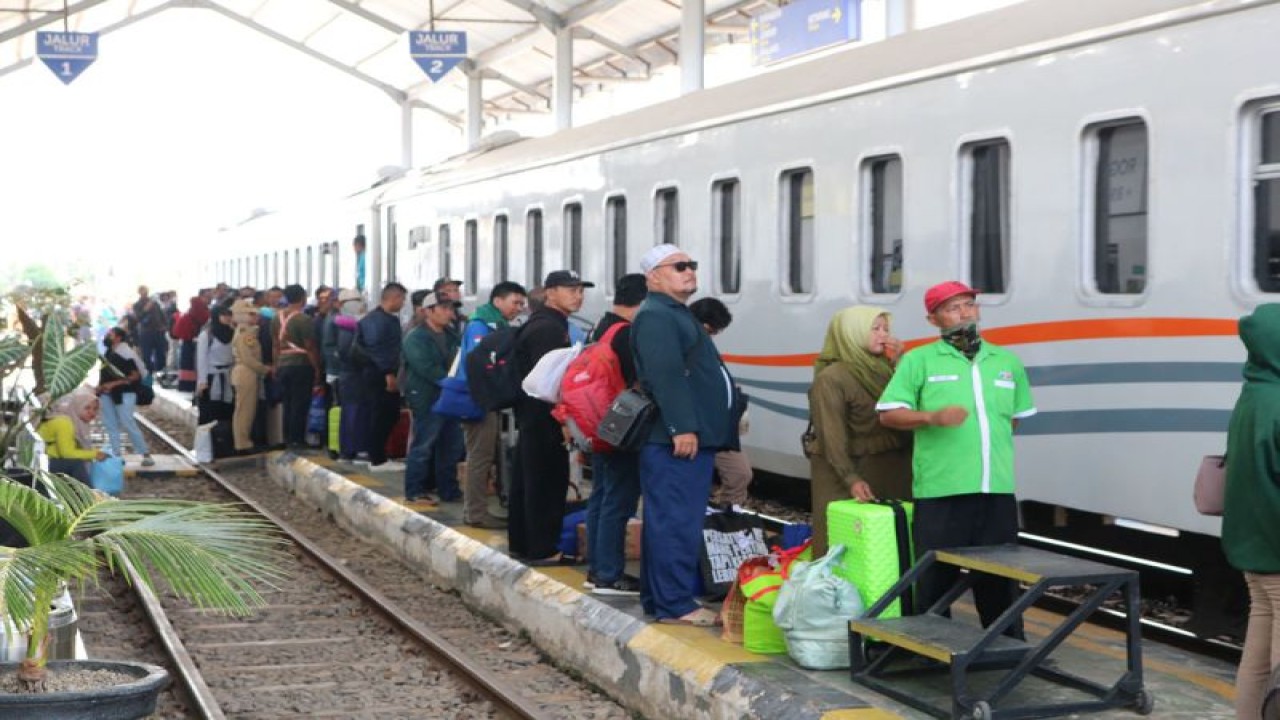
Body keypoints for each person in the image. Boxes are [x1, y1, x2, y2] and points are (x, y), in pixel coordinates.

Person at [877, 281, 1036, 634]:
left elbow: (1013, 419)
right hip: (941, 489)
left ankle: (1007, 649)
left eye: (968, 304)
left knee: (1000, 578)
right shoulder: (919, 361)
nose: (964, 312)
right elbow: (888, 413)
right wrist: (931, 418)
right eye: (952, 307)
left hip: (995, 489)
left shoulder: (1006, 362)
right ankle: (931, 651)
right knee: (936, 578)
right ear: (933, 319)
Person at [632, 245, 741, 626]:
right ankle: (676, 603)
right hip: (674, 439)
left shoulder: (671, 313)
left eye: (692, 265)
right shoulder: (658, 316)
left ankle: (660, 599)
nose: (689, 271)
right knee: (677, 520)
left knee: (670, 519)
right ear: (654, 276)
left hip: (681, 436)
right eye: (679, 266)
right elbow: (666, 374)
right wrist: (684, 427)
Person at [807, 306, 913, 557]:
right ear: (851, 334)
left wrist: (901, 364)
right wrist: (851, 478)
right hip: (849, 476)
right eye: (874, 329)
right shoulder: (832, 378)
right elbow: (832, 436)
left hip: (889, 470)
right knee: (846, 546)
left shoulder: (885, 369)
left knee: (885, 547)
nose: (883, 335)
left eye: (885, 329)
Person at [1221, 303, 1280, 720]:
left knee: (1257, 661)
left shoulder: (1253, 395)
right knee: (1278, 669)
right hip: (1278, 553)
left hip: (1253, 552)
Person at [510, 270, 592, 564]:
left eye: (580, 289)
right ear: (550, 292)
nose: (578, 295)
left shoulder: (547, 323)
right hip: (545, 417)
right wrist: (564, 421)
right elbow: (552, 383)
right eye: (570, 289)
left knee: (530, 479)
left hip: (535, 416)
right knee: (545, 482)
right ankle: (543, 549)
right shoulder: (548, 329)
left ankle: (524, 543)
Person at [584, 273, 647, 596]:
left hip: (600, 423)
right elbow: (639, 379)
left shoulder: (603, 326)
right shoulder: (626, 334)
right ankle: (608, 574)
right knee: (618, 502)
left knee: (602, 496)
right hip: (622, 426)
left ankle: (597, 569)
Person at [459, 281, 528, 528]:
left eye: (522, 304)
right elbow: (479, 365)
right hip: (477, 400)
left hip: (485, 399)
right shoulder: (480, 325)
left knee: (485, 455)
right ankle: (475, 514)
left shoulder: (494, 323)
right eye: (515, 302)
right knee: (480, 456)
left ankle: (476, 511)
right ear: (498, 301)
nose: (518, 308)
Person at [690, 297, 753, 507]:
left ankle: (727, 520)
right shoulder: (686, 347)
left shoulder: (704, 348)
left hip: (718, 428)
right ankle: (715, 523)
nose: (713, 336)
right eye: (713, 331)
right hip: (699, 429)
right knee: (699, 482)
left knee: (740, 474)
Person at [402, 291, 462, 504]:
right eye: (444, 308)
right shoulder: (416, 337)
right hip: (427, 397)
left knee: (450, 445)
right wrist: (455, 383)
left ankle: (449, 490)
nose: (449, 313)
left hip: (449, 397)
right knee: (424, 444)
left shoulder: (452, 334)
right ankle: (414, 491)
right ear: (428, 311)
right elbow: (427, 368)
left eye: (451, 308)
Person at [358, 282, 408, 471]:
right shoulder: (378, 321)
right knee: (381, 414)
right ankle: (377, 459)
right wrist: (388, 373)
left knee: (388, 413)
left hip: (381, 372)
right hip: (379, 374)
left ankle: (378, 455)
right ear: (393, 298)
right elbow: (377, 349)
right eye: (402, 299)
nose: (403, 303)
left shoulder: (382, 319)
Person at [273, 284, 323, 449]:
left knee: (287, 402)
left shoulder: (276, 318)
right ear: (302, 298)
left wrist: (275, 365)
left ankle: (287, 437)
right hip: (301, 365)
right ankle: (298, 439)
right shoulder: (304, 319)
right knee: (300, 403)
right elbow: (310, 346)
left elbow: (275, 345)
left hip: (282, 364)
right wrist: (316, 368)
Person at [97, 327, 154, 466]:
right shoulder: (110, 352)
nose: (107, 337)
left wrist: (113, 384)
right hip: (107, 393)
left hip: (125, 393)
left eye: (110, 334)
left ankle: (145, 453)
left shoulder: (125, 353)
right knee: (111, 424)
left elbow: (135, 376)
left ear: (118, 337)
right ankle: (116, 455)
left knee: (128, 423)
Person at [40, 388, 107, 485]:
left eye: (95, 409)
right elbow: (66, 453)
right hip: (46, 464)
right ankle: (89, 497)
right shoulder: (64, 423)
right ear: (77, 406)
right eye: (87, 408)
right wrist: (94, 454)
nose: (92, 412)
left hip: (50, 462)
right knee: (76, 464)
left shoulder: (76, 423)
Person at [230, 299, 271, 453]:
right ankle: (242, 443)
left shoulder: (245, 331)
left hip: (244, 372)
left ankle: (242, 441)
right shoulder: (245, 333)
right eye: (252, 314)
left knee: (245, 409)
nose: (256, 317)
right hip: (246, 372)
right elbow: (248, 358)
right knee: (245, 410)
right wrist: (265, 369)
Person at [196, 305, 237, 426]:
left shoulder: (234, 333)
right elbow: (201, 359)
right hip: (211, 377)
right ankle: (206, 441)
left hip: (229, 376)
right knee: (210, 410)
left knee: (227, 409)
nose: (228, 318)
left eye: (229, 315)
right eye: (224, 315)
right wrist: (202, 381)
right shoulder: (207, 335)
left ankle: (224, 440)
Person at [172, 296, 209, 394]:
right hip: (202, 343)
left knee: (187, 365)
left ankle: (186, 385)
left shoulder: (187, 316)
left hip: (187, 344)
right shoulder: (206, 314)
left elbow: (176, 332)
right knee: (198, 364)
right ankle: (197, 383)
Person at [133, 286, 169, 374]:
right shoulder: (137, 305)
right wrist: (145, 309)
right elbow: (138, 318)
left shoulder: (155, 303)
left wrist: (164, 326)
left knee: (161, 353)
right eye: (142, 291)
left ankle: (160, 371)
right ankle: (148, 372)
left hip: (158, 331)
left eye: (146, 290)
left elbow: (161, 315)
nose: (144, 292)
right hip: (146, 332)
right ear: (139, 292)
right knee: (146, 355)